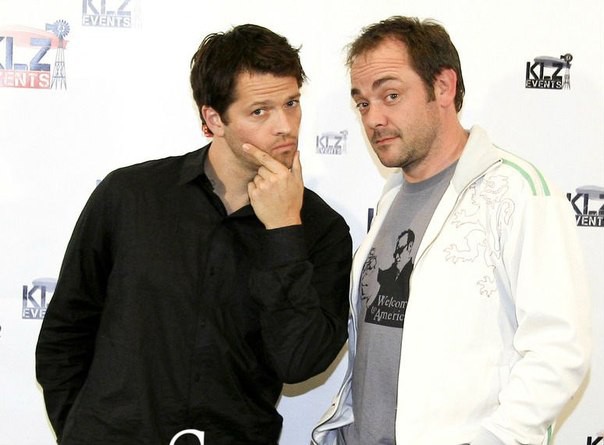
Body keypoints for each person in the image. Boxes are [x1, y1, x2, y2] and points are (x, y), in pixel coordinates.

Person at [35, 24, 352, 445]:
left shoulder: (322, 229)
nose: (285, 126)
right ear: (214, 119)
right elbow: (65, 334)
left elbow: (300, 362)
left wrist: (283, 230)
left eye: (291, 103)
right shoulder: (130, 196)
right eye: (259, 111)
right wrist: (82, 432)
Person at [312, 16, 591, 445]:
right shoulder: (391, 198)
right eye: (363, 103)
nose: (373, 119)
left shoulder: (518, 192)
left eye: (391, 95)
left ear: (443, 87)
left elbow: (559, 350)